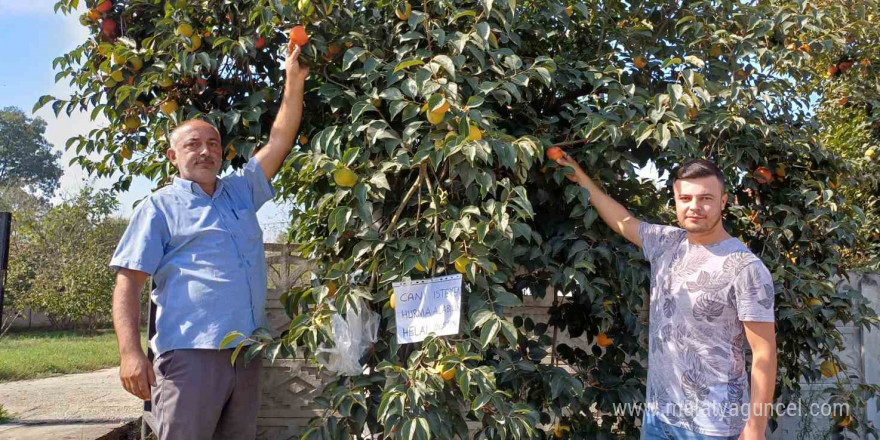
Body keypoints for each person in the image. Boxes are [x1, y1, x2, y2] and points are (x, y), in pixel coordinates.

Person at [108, 42, 309, 440]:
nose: (205, 151)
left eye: (213, 144)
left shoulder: (241, 192)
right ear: (172, 156)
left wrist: (293, 80)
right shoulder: (159, 208)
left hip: (246, 354)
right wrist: (130, 353)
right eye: (193, 145)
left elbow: (280, 139)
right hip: (189, 356)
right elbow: (127, 283)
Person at [554, 155, 777, 440]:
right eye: (685, 198)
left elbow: (764, 354)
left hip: (713, 426)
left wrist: (755, 430)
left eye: (705, 198)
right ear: (676, 200)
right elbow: (623, 220)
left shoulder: (746, 268)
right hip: (659, 417)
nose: (694, 207)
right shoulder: (666, 243)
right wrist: (581, 178)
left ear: (723, 201)